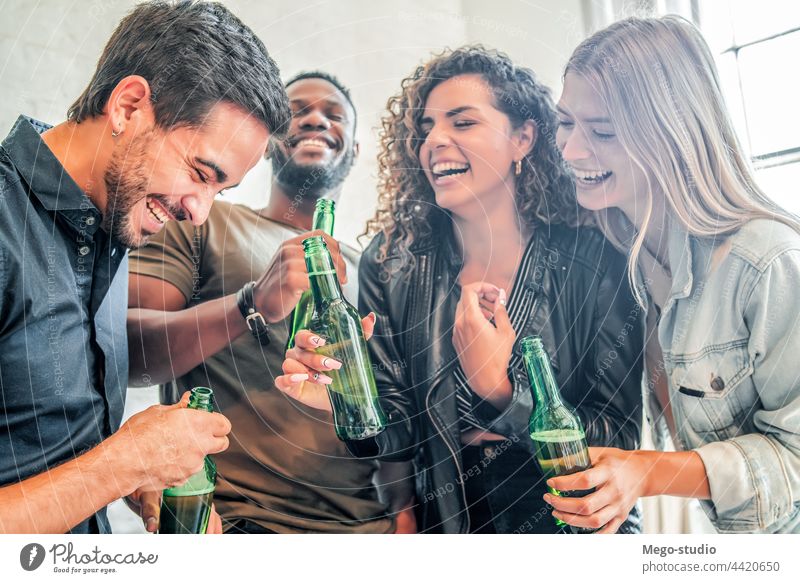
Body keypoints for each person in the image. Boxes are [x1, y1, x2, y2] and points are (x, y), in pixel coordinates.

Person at [275, 46, 645, 533]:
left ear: (524, 138)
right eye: (426, 129)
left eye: (462, 123)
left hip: (576, 525)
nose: (434, 142)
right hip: (449, 525)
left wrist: (502, 392)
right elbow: (400, 429)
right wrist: (347, 402)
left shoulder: (596, 260)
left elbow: (616, 433)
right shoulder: (390, 264)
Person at [0, 0, 290, 534]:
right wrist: (122, 463)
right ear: (129, 107)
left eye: (221, 190)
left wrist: (140, 473)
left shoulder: (111, 220)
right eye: (201, 172)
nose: (199, 212)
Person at [128, 71, 414, 534]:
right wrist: (252, 302)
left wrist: (404, 518)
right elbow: (129, 355)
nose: (316, 120)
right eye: (297, 111)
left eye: (334, 114)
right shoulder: (199, 217)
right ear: (267, 143)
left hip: (369, 532)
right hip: (244, 526)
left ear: (355, 150)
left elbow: (393, 412)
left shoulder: (375, 270)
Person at [548, 15, 800, 533]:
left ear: (671, 134)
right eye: (565, 122)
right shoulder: (616, 245)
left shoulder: (766, 262)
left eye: (602, 131)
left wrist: (647, 472)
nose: (572, 150)